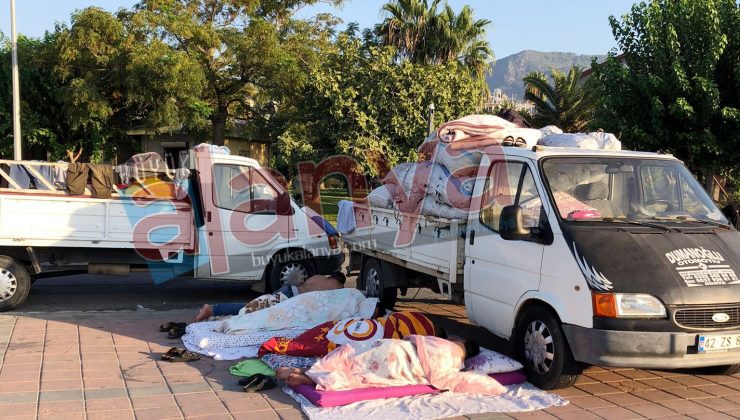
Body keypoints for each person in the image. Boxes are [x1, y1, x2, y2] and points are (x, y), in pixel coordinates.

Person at [275, 335, 504, 396]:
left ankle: (307, 369)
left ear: (460, 342)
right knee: (360, 375)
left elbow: (412, 339)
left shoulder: (441, 342)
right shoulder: (454, 364)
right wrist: (496, 388)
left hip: (394, 347)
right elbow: (457, 381)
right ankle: (308, 379)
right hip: (399, 365)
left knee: (351, 354)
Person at [194, 272, 346, 321]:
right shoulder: (338, 288)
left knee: (254, 305)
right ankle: (213, 309)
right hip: (291, 299)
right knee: (253, 309)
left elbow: (304, 284)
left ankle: (214, 310)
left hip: (288, 290)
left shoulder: (318, 277)